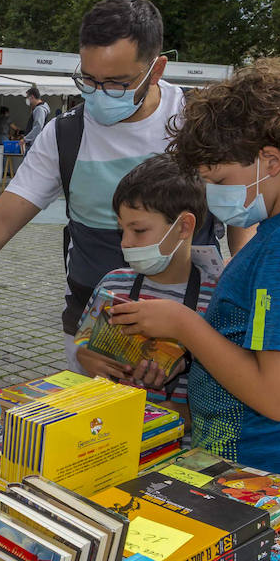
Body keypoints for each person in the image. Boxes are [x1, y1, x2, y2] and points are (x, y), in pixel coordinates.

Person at [0, 0, 247, 359]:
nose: (99, 94)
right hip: (93, 323)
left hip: (192, 321)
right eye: (88, 80)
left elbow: (240, 213)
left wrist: (248, 279)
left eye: (117, 83)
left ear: (155, 70)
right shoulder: (65, 134)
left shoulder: (199, 122)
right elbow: (3, 216)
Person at [108, 60, 280, 506]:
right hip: (254, 454)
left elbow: (279, 397)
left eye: (220, 179)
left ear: (271, 160)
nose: (212, 194)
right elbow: (251, 341)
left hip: (274, 465)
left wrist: (184, 325)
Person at [73, 155, 217, 425]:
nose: (125, 243)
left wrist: (180, 409)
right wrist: (87, 358)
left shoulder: (216, 299)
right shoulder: (113, 284)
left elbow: (229, 382)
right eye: (121, 229)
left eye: (138, 230)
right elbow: (83, 348)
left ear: (184, 226)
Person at [21, 86, 49, 152]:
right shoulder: (41, 108)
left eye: (28, 97)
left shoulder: (39, 109)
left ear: (32, 97)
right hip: (36, 144)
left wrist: (25, 139)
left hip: (34, 145)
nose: (27, 100)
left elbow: (38, 127)